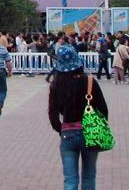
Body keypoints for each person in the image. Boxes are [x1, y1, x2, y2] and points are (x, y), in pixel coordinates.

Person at [49, 45, 108, 190]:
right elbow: (103, 110)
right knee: (89, 177)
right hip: (90, 133)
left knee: (70, 181)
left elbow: (53, 115)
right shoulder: (90, 81)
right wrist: (98, 126)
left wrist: (61, 129)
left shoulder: (56, 85)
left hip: (68, 134)